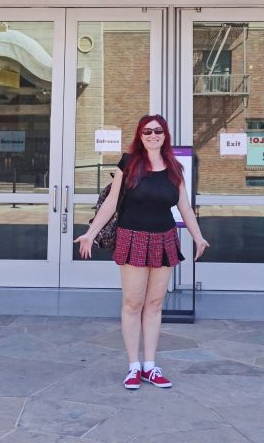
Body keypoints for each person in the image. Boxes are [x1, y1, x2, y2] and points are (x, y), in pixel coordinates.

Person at [75, 114, 209, 390]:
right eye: (146, 131)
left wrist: (198, 236)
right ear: (140, 135)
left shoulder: (174, 168)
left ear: (165, 135)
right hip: (132, 237)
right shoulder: (129, 163)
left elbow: (184, 207)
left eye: (157, 131)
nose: (152, 135)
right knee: (133, 303)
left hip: (164, 239)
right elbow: (111, 203)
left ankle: (150, 365)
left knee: (155, 304)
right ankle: (133, 366)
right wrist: (91, 232)